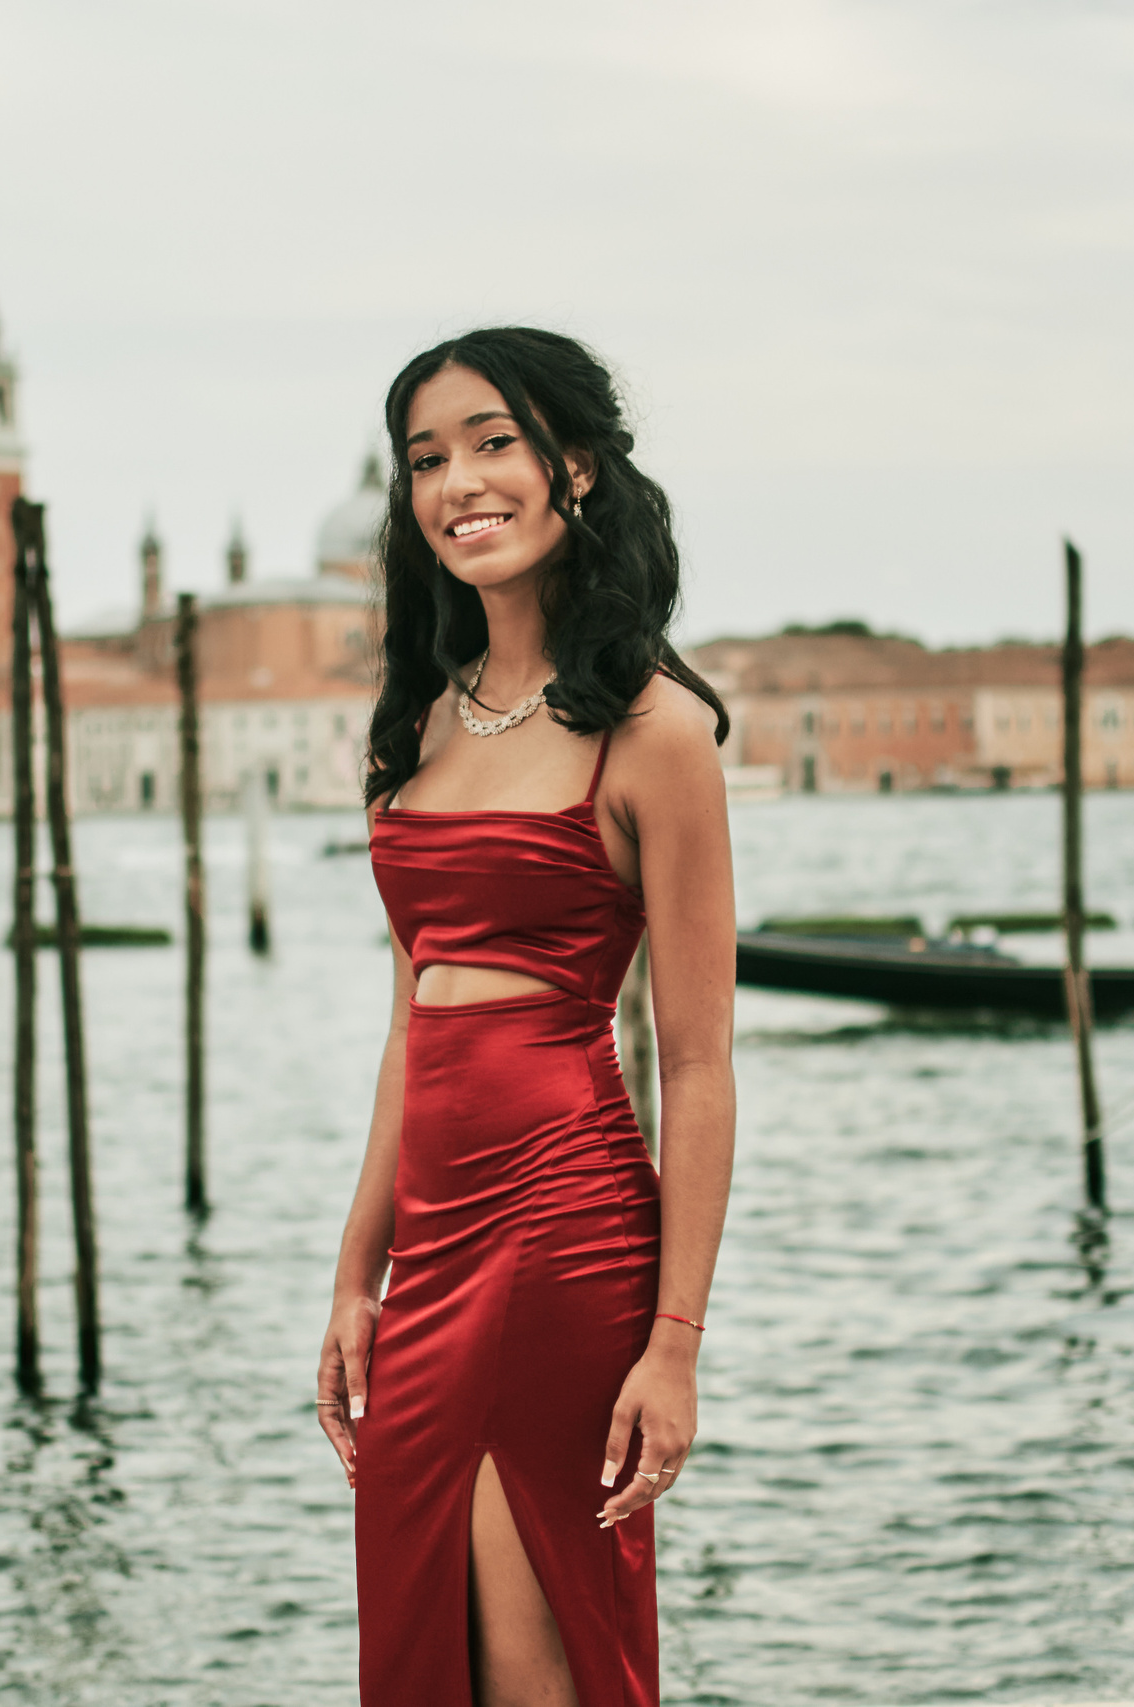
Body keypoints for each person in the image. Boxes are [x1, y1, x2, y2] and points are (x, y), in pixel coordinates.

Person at [316, 327, 737, 1706]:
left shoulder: (653, 729)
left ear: (575, 469)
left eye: (493, 441)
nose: (459, 482)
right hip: (430, 1252)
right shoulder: (411, 735)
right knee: (426, 1637)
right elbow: (411, 1024)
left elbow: (696, 1058)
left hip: (563, 1234)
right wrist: (354, 1271)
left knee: (530, 1641)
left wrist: (675, 1342)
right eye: (427, 457)